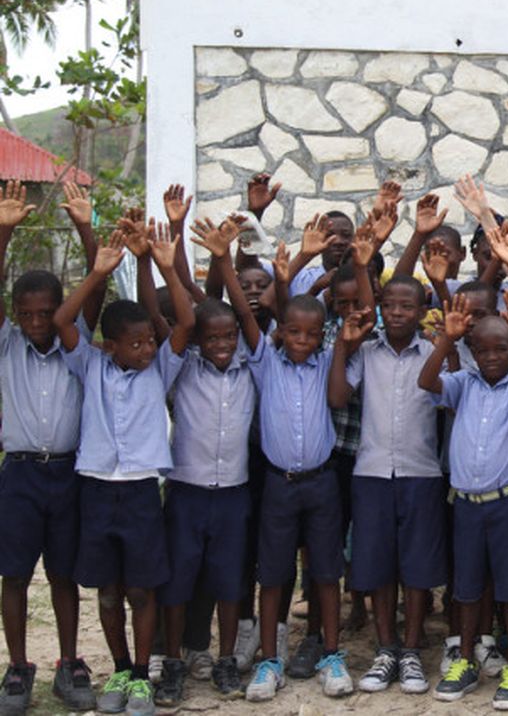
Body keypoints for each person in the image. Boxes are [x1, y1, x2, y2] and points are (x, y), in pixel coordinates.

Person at [53, 223, 191, 716]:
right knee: (108, 591)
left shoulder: (161, 369)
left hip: (139, 493)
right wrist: (97, 274)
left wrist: (164, 265)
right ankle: (119, 668)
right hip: (95, 490)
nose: (147, 350)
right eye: (136, 344)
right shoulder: (89, 364)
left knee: (140, 589)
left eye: (149, 341)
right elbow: (63, 321)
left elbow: (186, 322)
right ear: (109, 345)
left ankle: (141, 677)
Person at [419, 291, 508, 711]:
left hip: (507, 504)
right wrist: (448, 340)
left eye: (502, 349)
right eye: (482, 350)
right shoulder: (462, 384)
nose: (492, 357)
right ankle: (465, 661)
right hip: (466, 504)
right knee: (466, 589)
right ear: (473, 352)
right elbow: (427, 382)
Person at [230, 259, 355, 702]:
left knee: (326, 572)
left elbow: (338, 396)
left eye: (312, 333)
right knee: (273, 574)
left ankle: (332, 654)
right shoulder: (266, 361)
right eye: (294, 332)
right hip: (279, 484)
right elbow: (246, 313)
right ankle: (270, 661)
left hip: (321, 482)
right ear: (280, 331)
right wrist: (224, 260)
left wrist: (339, 347)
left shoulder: (326, 363)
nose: (303, 340)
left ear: (322, 335)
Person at [0, 181, 101, 715]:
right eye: (27, 314)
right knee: (14, 573)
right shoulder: (7, 344)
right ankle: (18, 667)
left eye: (46, 312)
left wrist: (87, 227)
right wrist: (4, 231)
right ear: (15, 314)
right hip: (19, 474)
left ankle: (68, 662)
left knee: (64, 574)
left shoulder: (73, 342)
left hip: (67, 474)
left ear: (62, 310)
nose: (38, 323)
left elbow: (97, 286)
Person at [154, 217, 258, 705]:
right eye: (212, 338)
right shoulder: (183, 369)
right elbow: (177, 321)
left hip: (233, 494)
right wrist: (165, 264)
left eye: (229, 336)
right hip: (187, 493)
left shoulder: (250, 367)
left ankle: (226, 661)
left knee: (229, 582)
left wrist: (224, 259)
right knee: (178, 582)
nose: (222, 345)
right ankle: (174, 662)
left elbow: (242, 311)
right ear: (196, 341)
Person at [328, 275, 447, 695]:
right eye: (390, 305)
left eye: (407, 306)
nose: (397, 313)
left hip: (421, 472)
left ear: (422, 311)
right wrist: (342, 345)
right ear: (380, 307)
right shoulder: (366, 351)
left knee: (415, 567)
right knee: (378, 564)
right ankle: (386, 648)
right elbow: (337, 397)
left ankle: (410, 649)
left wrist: (447, 342)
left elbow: (451, 396)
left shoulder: (432, 352)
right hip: (372, 471)